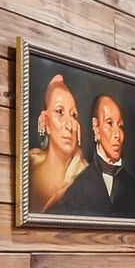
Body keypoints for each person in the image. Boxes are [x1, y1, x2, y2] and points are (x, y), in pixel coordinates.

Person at [54, 94, 135, 220]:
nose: (117, 134)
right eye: (109, 123)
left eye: (120, 126)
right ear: (96, 128)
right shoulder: (77, 188)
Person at [26, 74, 86, 213]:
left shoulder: (85, 178)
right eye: (59, 112)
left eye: (73, 115)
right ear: (46, 122)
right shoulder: (29, 163)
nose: (69, 125)